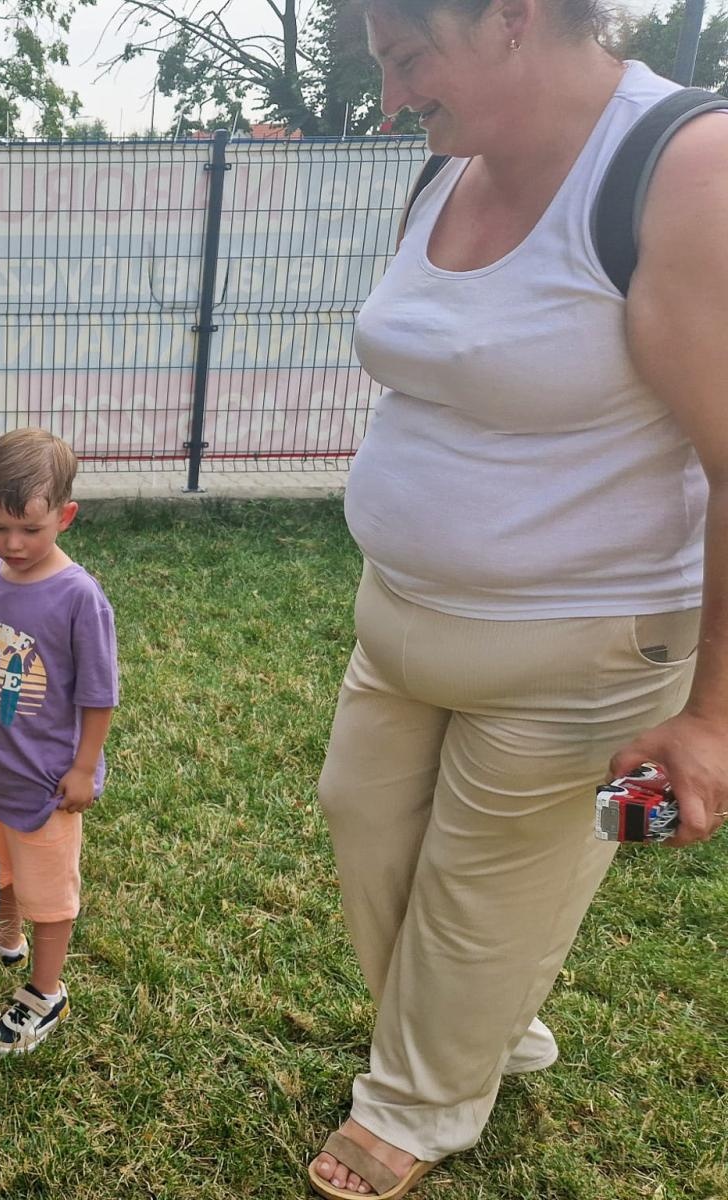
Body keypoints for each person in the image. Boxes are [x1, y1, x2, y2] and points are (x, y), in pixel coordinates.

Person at [309, 0, 728, 1195]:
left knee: (479, 896)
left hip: (581, 645)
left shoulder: (680, 170)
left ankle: (419, 1103)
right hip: (397, 623)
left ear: (510, 16)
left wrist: (710, 715)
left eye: (405, 59)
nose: (392, 99)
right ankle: (482, 1029)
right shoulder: (449, 172)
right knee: (364, 824)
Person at [0, 428, 118, 1056]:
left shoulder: (78, 598)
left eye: (30, 529)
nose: (13, 544)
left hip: (47, 786)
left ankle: (45, 992)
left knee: (51, 896)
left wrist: (84, 767)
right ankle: (6, 937)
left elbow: (98, 694)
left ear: (65, 517)